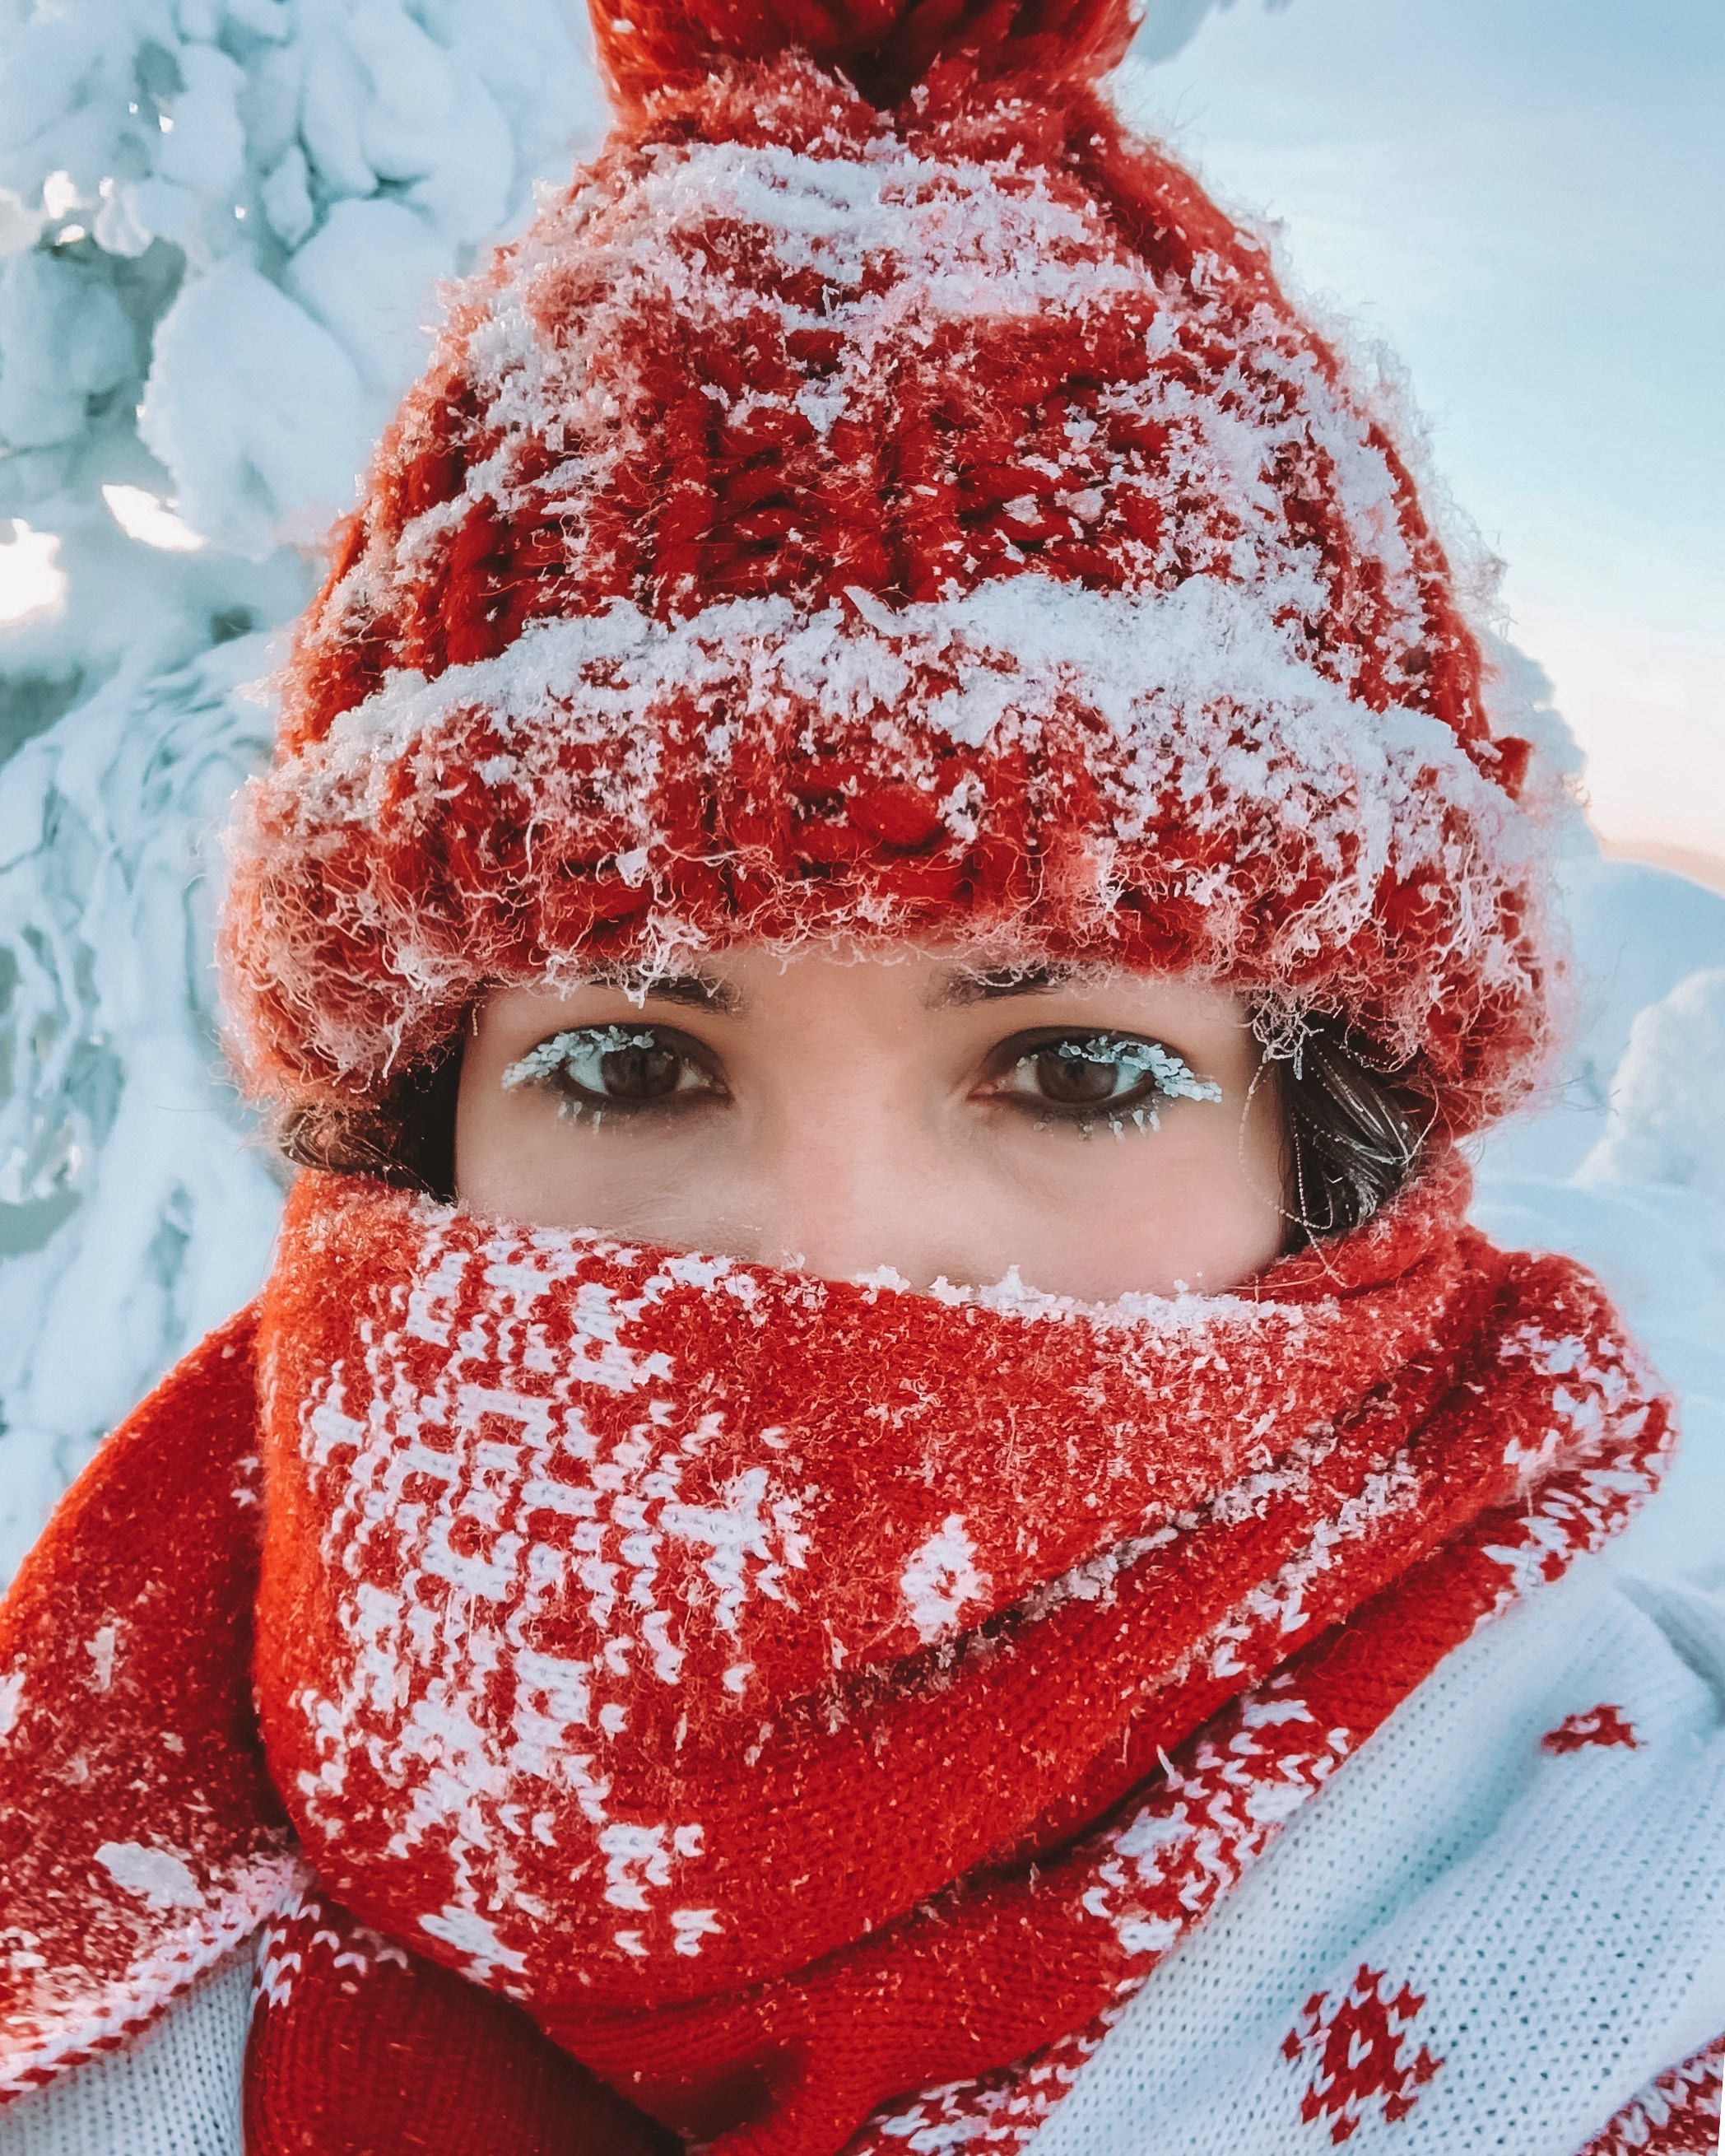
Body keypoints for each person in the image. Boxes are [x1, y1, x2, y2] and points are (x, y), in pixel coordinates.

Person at [1, 0, 1722, 2149]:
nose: (822, 1248)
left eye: (1075, 1068)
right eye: (630, 1059)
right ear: (419, 1132)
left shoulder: (1641, 1985)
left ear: (1330, 1154)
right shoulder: (83, 1914)